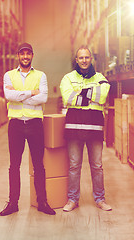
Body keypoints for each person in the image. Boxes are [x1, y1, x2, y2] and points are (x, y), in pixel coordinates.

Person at [0, 42, 56, 216]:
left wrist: (19, 95)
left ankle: (42, 202)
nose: (25, 57)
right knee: (14, 165)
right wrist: (32, 93)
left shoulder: (41, 75)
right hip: (16, 124)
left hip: (35, 124)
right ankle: (13, 203)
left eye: (28, 54)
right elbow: (9, 96)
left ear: (32, 55)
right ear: (18, 56)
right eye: (22, 54)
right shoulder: (8, 75)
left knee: (39, 164)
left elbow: (44, 97)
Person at [60, 46, 112, 212]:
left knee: (97, 166)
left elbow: (102, 96)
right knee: (74, 166)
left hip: (94, 128)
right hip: (74, 127)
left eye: (86, 57)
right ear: (76, 60)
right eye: (81, 58)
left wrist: (79, 95)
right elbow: (67, 97)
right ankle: (72, 199)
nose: (84, 60)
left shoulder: (100, 77)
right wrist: (91, 95)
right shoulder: (67, 78)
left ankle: (100, 199)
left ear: (91, 59)